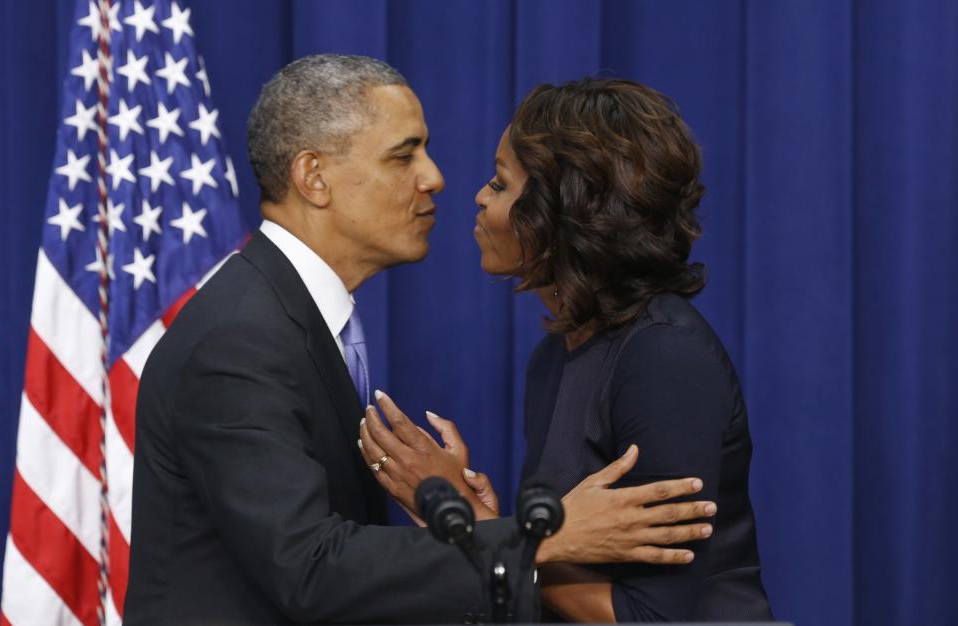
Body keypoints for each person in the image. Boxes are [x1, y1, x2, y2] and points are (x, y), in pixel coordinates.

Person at [124, 56, 718, 625]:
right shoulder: (240, 338)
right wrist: (548, 535)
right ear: (314, 177)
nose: (434, 178)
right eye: (403, 156)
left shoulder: (287, 317)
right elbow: (309, 569)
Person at [360, 78, 774, 622]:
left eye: (500, 183)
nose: (480, 197)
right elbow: (575, 558)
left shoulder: (663, 359)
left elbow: (651, 618)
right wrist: (502, 530)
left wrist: (482, 534)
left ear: (564, 211)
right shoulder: (557, 353)